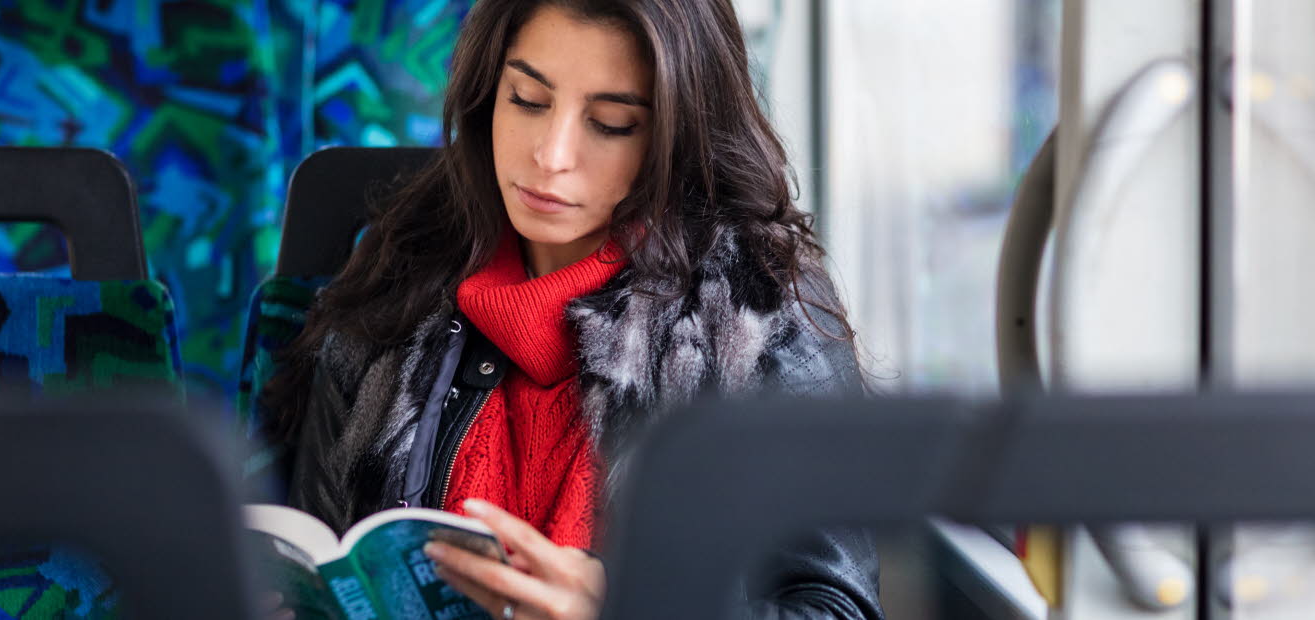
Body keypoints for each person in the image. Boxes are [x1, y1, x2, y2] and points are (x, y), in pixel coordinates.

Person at [264, 0, 882, 618]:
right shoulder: (396, 277)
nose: (551, 154)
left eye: (611, 123)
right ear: (487, 93)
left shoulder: (758, 308)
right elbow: (319, 554)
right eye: (528, 100)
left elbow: (837, 608)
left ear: (678, 135)